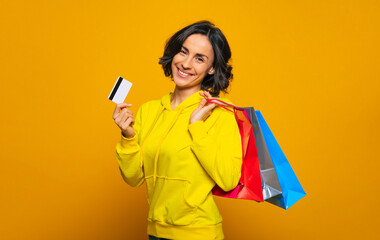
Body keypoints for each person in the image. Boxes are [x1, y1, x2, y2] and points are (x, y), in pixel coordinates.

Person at [112, 20, 242, 240]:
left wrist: (197, 127)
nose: (186, 64)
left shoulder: (220, 115)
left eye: (199, 59)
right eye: (184, 52)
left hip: (199, 233)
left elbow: (228, 179)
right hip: (156, 232)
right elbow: (133, 178)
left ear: (211, 68)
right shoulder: (149, 110)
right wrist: (128, 137)